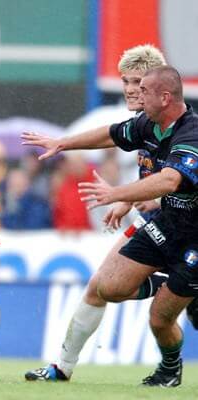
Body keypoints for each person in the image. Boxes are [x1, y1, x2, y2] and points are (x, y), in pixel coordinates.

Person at [24, 65, 198, 387]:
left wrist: (118, 194)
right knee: (107, 287)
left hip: (195, 240)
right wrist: (63, 143)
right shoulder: (148, 124)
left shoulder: (192, 133)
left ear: (165, 96)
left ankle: (170, 370)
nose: (134, 93)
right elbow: (111, 133)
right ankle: (63, 368)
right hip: (167, 224)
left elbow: (171, 180)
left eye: (141, 88)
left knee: (160, 319)